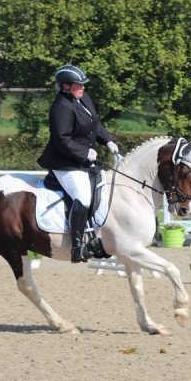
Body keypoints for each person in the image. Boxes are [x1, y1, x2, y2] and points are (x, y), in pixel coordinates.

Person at [38, 64, 119, 263]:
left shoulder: (83, 98)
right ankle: (77, 247)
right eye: (78, 85)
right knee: (82, 197)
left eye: (83, 84)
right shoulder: (61, 107)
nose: (83, 87)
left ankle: (97, 238)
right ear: (65, 86)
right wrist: (85, 153)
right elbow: (62, 139)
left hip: (81, 161)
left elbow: (95, 123)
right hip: (65, 163)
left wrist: (108, 140)